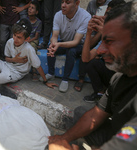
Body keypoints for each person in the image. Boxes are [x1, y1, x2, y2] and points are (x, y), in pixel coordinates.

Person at [48, 1, 137, 149]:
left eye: (110, 41)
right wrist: (62, 139)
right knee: (81, 113)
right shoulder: (119, 78)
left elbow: (126, 141)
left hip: (125, 139)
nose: (101, 51)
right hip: (117, 131)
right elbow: (95, 115)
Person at [0, 18, 58, 89]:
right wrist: (14, 59)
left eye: (19, 37)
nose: (15, 39)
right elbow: (6, 58)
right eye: (14, 35)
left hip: (15, 73)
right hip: (6, 65)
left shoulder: (29, 49)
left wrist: (46, 81)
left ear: (27, 39)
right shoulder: (10, 42)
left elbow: (38, 66)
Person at [41, 0, 91, 93]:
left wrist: (58, 44)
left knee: (71, 51)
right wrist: (54, 44)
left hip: (79, 45)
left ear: (77, 4)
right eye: (62, 2)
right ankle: (51, 73)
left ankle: (65, 79)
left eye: (67, 3)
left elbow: (76, 42)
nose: (63, 5)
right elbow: (54, 36)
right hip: (64, 42)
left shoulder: (85, 17)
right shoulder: (58, 15)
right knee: (50, 46)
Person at [27, 0, 42, 81]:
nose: (30, 9)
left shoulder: (39, 22)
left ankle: (34, 71)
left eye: (32, 8)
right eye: (29, 7)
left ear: (36, 12)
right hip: (25, 38)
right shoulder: (25, 20)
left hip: (33, 39)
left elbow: (36, 37)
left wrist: (28, 41)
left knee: (32, 47)